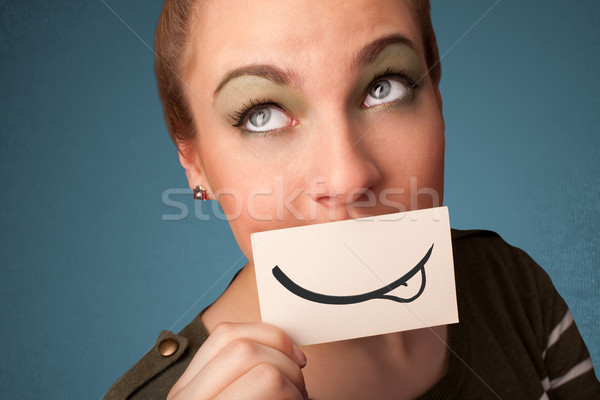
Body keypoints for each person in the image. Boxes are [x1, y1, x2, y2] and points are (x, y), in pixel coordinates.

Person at [104, 0, 600, 398]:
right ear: (194, 162)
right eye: (262, 114)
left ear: (437, 100)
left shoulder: (511, 288)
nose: (347, 177)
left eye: (385, 87)